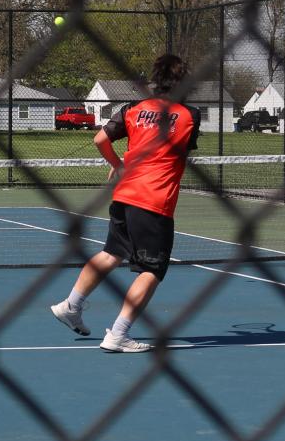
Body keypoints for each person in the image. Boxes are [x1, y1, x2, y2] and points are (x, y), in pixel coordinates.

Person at [48, 54, 200, 353]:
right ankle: (118, 334)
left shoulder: (132, 109)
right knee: (152, 270)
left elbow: (99, 140)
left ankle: (71, 305)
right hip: (155, 201)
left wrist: (119, 165)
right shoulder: (189, 115)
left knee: (111, 253)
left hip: (125, 195)